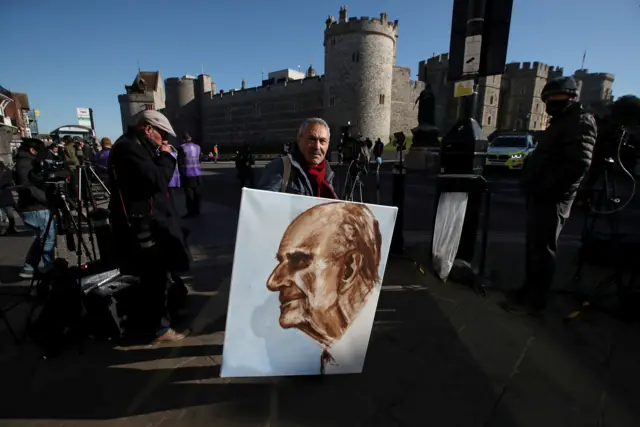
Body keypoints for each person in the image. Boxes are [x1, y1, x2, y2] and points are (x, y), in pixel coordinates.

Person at [504, 76, 597, 315]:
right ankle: (528, 291)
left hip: (553, 198)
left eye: (555, 97)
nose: (549, 103)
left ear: (570, 96)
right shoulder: (560, 122)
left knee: (543, 250)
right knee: (535, 247)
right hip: (541, 194)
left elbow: (578, 164)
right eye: (546, 99)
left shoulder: (580, 121)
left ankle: (535, 301)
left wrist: (548, 188)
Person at [267, 202, 381, 374]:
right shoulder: (337, 351)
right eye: (280, 262)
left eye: (299, 261)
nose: (273, 282)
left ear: (349, 268)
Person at [108, 110, 190, 343]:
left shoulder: (135, 146)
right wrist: (166, 157)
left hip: (151, 221)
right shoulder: (129, 148)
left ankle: (167, 313)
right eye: (162, 135)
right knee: (154, 278)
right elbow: (157, 180)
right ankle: (160, 328)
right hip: (144, 225)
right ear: (148, 129)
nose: (164, 141)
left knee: (162, 273)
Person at [258, 117, 337, 198]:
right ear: (299, 139)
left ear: (328, 144)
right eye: (312, 139)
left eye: (322, 141)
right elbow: (265, 205)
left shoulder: (328, 173)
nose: (317, 146)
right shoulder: (279, 167)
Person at [13, 138, 56, 279]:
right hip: (35, 207)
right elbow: (28, 186)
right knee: (48, 238)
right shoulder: (25, 163)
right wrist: (46, 198)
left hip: (34, 206)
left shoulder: (25, 161)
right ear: (32, 150)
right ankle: (50, 269)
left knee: (41, 239)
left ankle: (29, 268)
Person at [177, 133, 201, 218]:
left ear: (183, 139)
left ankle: (190, 212)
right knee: (197, 193)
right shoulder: (198, 147)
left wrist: (180, 174)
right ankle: (197, 210)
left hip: (187, 174)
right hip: (197, 174)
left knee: (189, 194)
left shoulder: (182, 148)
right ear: (190, 138)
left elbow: (180, 162)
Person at [0, 158, 18, 235]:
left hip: (2, 192)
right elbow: (11, 182)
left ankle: (2, 228)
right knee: (9, 211)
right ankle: (12, 227)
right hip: (6, 192)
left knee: (7, 211)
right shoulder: (7, 170)